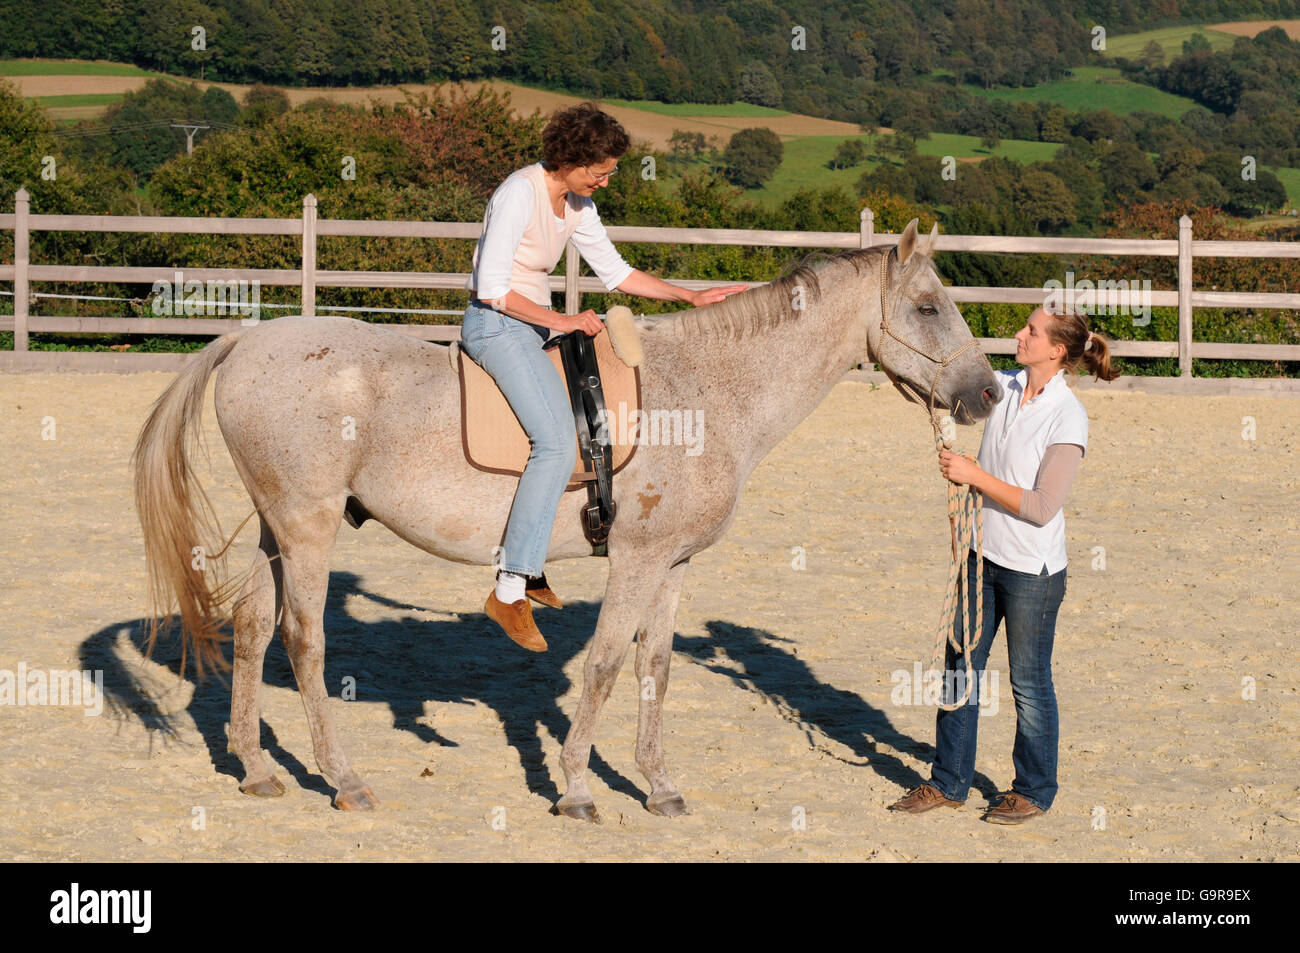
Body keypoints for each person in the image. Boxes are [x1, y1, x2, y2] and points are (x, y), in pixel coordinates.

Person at [461, 102, 745, 653]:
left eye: (610, 170)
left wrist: (691, 295)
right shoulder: (517, 193)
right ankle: (510, 585)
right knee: (555, 441)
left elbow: (615, 273)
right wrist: (563, 320)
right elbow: (492, 289)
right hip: (497, 326)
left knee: (589, 428)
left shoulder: (577, 203)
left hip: (533, 328)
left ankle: (533, 556)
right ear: (569, 159)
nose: (606, 180)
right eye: (600, 170)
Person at [888, 304, 1119, 824]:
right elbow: (953, 390)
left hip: (1031, 570)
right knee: (958, 668)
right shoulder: (1008, 387)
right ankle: (948, 781)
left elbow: (1041, 506)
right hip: (980, 553)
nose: (1020, 334)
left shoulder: (1068, 416)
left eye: (1031, 331)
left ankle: (1033, 790)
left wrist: (972, 474)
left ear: (1056, 351)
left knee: (1028, 682)